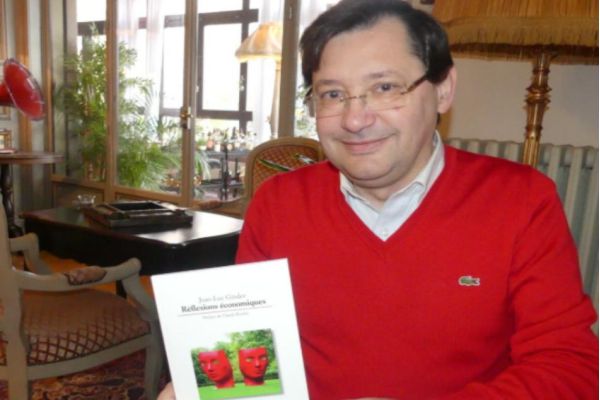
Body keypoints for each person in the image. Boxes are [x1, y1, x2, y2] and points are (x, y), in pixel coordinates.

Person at [159, 0, 598, 398]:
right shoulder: (279, 202)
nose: (355, 119)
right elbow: (250, 348)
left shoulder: (521, 200)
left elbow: (572, 367)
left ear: (443, 89)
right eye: (333, 94)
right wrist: (211, 385)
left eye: (385, 87)